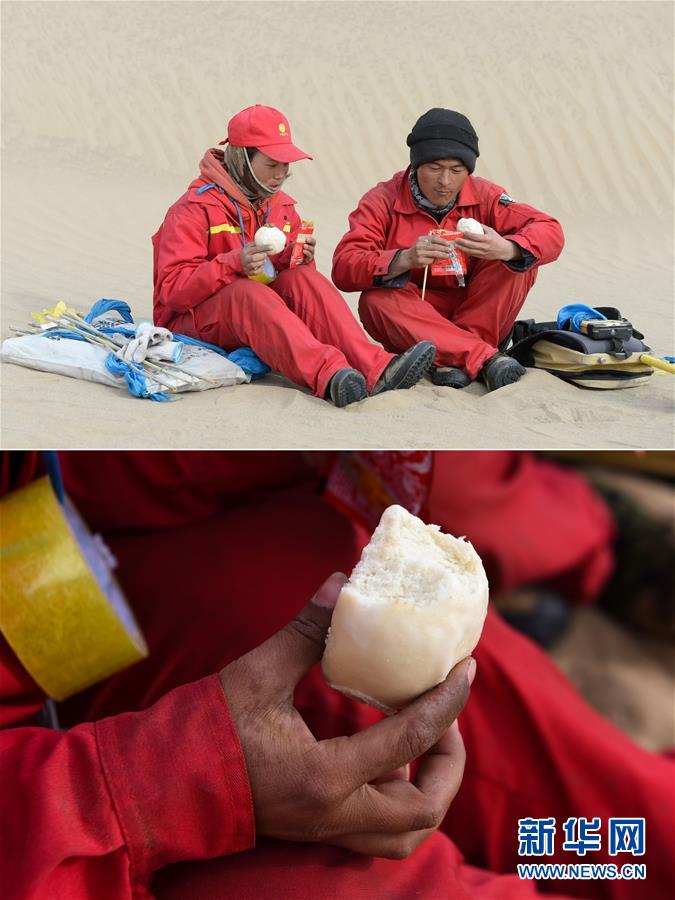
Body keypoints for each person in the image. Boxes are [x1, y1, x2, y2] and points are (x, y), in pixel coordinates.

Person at [1, 451, 673, 900]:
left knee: (623, 826)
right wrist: (168, 785)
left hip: (62, 580)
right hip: (66, 817)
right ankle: (591, 541)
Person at [152, 105, 435, 407]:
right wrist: (233, 263)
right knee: (245, 292)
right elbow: (172, 292)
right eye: (272, 164)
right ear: (243, 159)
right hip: (191, 321)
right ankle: (329, 375)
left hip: (259, 311)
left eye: (286, 165)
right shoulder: (193, 209)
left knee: (303, 278)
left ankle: (376, 368)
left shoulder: (280, 205)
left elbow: (289, 283)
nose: (281, 175)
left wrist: (296, 257)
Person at [332, 108, 565, 391]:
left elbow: (549, 229)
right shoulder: (382, 200)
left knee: (519, 260)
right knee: (374, 302)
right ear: (416, 165)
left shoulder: (486, 195)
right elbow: (344, 266)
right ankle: (481, 357)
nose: (445, 181)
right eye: (435, 168)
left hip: (479, 309)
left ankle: (455, 358)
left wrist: (506, 247)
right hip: (418, 314)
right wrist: (403, 258)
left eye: (456, 170)